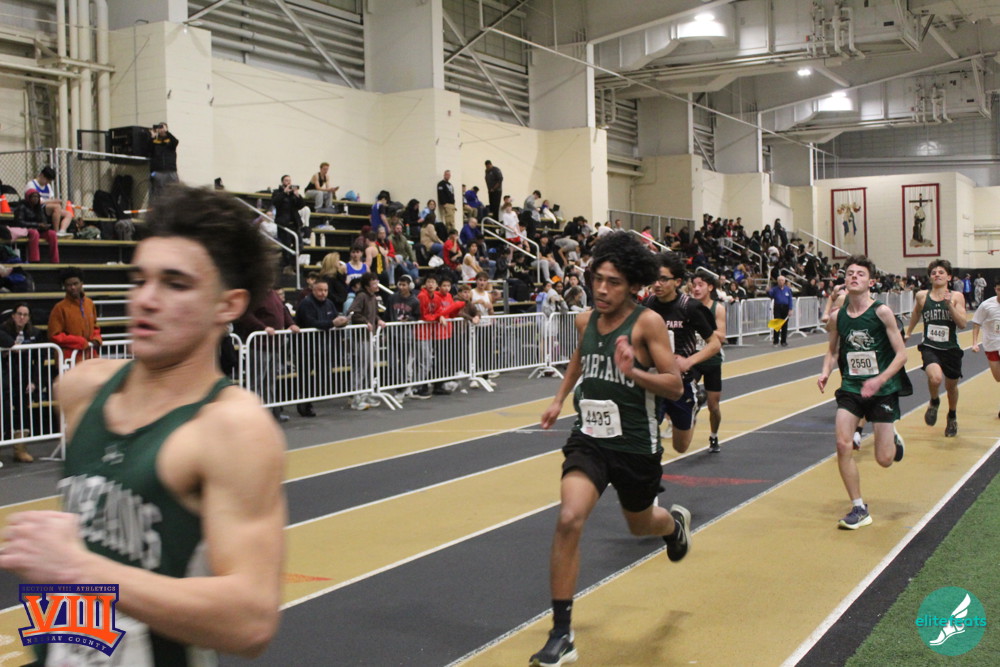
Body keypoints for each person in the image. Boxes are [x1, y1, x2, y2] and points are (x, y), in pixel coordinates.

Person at [0, 184, 286, 663]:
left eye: (176, 284)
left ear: (228, 305)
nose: (146, 300)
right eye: (140, 279)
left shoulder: (231, 428)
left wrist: (79, 568)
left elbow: (250, 620)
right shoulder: (82, 389)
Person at [531, 232, 689, 667]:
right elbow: (579, 359)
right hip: (590, 439)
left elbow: (674, 385)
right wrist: (558, 399)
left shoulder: (647, 324)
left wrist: (633, 372)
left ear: (633, 284)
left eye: (613, 282)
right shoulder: (585, 321)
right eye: (597, 279)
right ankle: (561, 633)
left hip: (635, 445)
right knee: (569, 518)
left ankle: (673, 527)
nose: (601, 289)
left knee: (642, 524)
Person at [818, 255, 907, 530]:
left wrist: (879, 380)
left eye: (860, 273)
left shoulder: (882, 312)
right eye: (849, 273)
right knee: (843, 444)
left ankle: (892, 437)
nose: (854, 276)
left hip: (882, 391)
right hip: (851, 387)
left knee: (884, 459)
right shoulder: (839, 317)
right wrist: (825, 371)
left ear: (871, 281)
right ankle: (858, 508)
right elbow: (832, 350)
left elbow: (902, 355)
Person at [644, 253, 721, 454]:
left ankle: (695, 404)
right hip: (655, 380)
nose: (657, 284)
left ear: (677, 282)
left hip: (681, 383)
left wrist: (688, 362)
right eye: (655, 278)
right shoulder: (648, 304)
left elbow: (714, 344)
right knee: (645, 436)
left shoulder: (690, 307)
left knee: (681, 446)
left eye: (663, 279)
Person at [904, 259, 967, 437]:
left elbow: (962, 323)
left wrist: (949, 306)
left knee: (951, 387)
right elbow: (916, 313)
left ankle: (952, 416)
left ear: (949, 277)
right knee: (935, 378)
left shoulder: (956, 296)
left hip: (951, 348)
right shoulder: (922, 296)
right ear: (930, 277)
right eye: (933, 273)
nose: (937, 275)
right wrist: (908, 332)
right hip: (930, 346)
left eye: (941, 272)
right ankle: (934, 401)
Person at [294, 277, 349, 417]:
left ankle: (310, 401)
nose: (323, 293)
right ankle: (304, 405)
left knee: (321, 376)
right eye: (320, 290)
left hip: (323, 348)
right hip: (306, 348)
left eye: (325, 290)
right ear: (313, 290)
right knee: (304, 378)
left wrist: (342, 322)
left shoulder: (329, 303)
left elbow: (334, 319)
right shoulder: (306, 304)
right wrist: (333, 323)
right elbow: (311, 323)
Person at [0, 302, 45, 463]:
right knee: (4, 412)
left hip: (24, 378)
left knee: (23, 412)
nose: (22, 317)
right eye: (19, 314)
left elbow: (39, 360)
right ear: (13, 315)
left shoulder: (34, 333)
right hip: (5, 377)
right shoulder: (4, 330)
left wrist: (34, 381)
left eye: (25, 315)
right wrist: (13, 345)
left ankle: (20, 449)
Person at [690, 272, 726, 453]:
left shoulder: (717, 308)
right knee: (683, 393)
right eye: (694, 285)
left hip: (712, 361)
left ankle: (713, 435)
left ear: (710, 287)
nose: (696, 288)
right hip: (694, 359)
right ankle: (695, 400)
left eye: (700, 285)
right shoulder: (688, 307)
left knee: (714, 407)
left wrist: (703, 328)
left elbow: (722, 336)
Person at [48, 266, 101, 362]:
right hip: (69, 359)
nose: (72, 287)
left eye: (75, 283)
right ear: (64, 286)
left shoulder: (89, 303)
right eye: (68, 285)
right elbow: (54, 335)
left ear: (81, 283)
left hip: (90, 356)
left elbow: (95, 326)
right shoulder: (59, 308)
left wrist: (96, 338)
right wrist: (79, 342)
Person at [970, 275, 1000, 419]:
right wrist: (974, 342)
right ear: (995, 289)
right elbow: (976, 323)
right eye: (999, 289)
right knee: (998, 378)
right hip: (991, 345)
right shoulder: (986, 305)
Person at [10, 189, 61, 262]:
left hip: (39, 229)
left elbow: (43, 220)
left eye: (37, 197)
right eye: (33, 196)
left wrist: (45, 226)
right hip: (25, 230)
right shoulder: (22, 207)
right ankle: (34, 259)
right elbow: (19, 222)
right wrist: (37, 225)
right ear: (28, 197)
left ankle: (55, 260)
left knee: (52, 234)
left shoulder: (39, 208)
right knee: (34, 233)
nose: (36, 198)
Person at [24, 166, 74, 236]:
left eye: (49, 181)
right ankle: (56, 231)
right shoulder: (31, 184)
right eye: (47, 180)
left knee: (69, 214)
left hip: (46, 208)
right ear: (41, 175)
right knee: (57, 207)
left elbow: (51, 198)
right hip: (36, 208)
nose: (47, 182)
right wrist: (52, 201)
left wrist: (54, 201)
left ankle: (62, 231)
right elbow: (37, 202)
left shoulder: (48, 186)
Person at [147, 122, 179, 198]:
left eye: (162, 127)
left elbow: (175, 142)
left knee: (175, 192)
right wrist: (153, 137)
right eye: (159, 127)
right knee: (159, 194)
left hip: (171, 170)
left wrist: (166, 132)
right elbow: (149, 149)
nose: (161, 129)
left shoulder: (170, 140)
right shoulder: (155, 141)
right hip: (159, 171)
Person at [768, 275, 794, 346]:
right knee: (777, 324)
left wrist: (790, 309)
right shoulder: (774, 289)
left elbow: (790, 299)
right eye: (779, 280)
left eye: (782, 280)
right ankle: (775, 341)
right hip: (777, 307)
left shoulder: (788, 289)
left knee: (785, 325)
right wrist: (768, 291)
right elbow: (770, 295)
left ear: (784, 281)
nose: (781, 282)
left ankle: (783, 341)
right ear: (777, 281)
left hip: (785, 308)